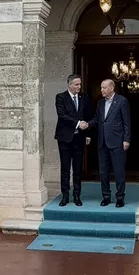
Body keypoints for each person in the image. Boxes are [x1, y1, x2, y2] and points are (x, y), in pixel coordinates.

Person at [87, 77, 130, 207]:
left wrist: (126, 139)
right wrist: (85, 125)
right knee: (103, 171)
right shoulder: (100, 103)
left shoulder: (122, 101)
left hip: (117, 141)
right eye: (101, 87)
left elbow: (126, 122)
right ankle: (106, 196)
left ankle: (120, 197)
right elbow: (96, 120)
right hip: (102, 142)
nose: (101, 90)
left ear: (111, 88)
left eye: (104, 87)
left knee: (119, 171)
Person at [54, 74, 91, 207]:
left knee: (77, 168)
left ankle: (77, 195)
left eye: (80, 84)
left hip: (79, 138)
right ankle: (65, 195)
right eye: (76, 84)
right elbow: (62, 115)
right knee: (65, 168)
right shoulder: (61, 97)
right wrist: (77, 123)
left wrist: (88, 134)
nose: (79, 87)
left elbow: (88, 115)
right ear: (69, 85)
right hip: (64, 138)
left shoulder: (84, 97)